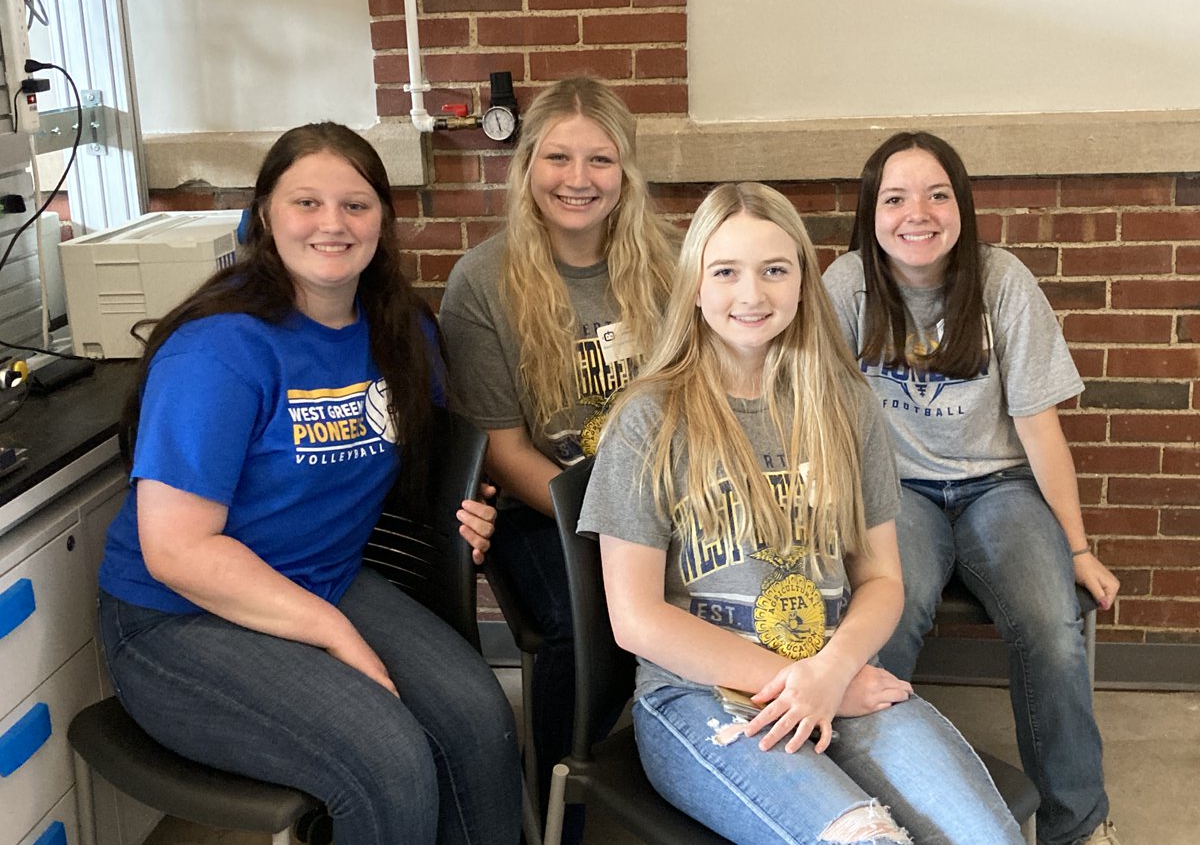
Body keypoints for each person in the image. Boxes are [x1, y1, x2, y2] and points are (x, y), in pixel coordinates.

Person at [97, 122, 521, 845]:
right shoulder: (220, 350)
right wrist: (335, 634)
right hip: (178, 618)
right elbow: (177, 551)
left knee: (478, 717)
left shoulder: (398, 331)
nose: (332, 224)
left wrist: (470, 511)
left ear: (383, 220)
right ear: (265, 214)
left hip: (320, 576)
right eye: (307, 203)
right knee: (386, 759)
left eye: (355, 205)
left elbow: (401, 473)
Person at [578, 181, 1023, 844]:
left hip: (832, 670)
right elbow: (637, 619)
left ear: (801, 286)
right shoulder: (648, 419)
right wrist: (812, 685)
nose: (751, 294)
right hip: (701, 698)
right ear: (694, 286)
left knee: (993, 838)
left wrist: (831, 673)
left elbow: (881, 581)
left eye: (774, 270)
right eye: (726, 271)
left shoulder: (845, 403)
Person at [823, 130, 1122, 845]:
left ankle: (1078, 825)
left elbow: (1040, 428)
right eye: (895, 198)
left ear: (962, 206)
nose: (916, 213)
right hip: (895, 492)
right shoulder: (844, 287)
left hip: (1000, 487)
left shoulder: (1003, 282)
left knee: (1052, 631)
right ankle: (866, 812)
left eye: (936, 194)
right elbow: (818, 414)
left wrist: (1077, 549)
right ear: (870, 212)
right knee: (881, 627)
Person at [439, 76, 677, 802]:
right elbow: (504, 451)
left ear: (627, 171)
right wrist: (615, 527)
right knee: (587, 626)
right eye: (557, 158)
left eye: (600, 160)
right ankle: (550, 802)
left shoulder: (673, 265)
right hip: (544, 509)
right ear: (526, 166)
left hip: (662, 500)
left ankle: (686, 765)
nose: (578, 180)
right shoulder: (481, 282)